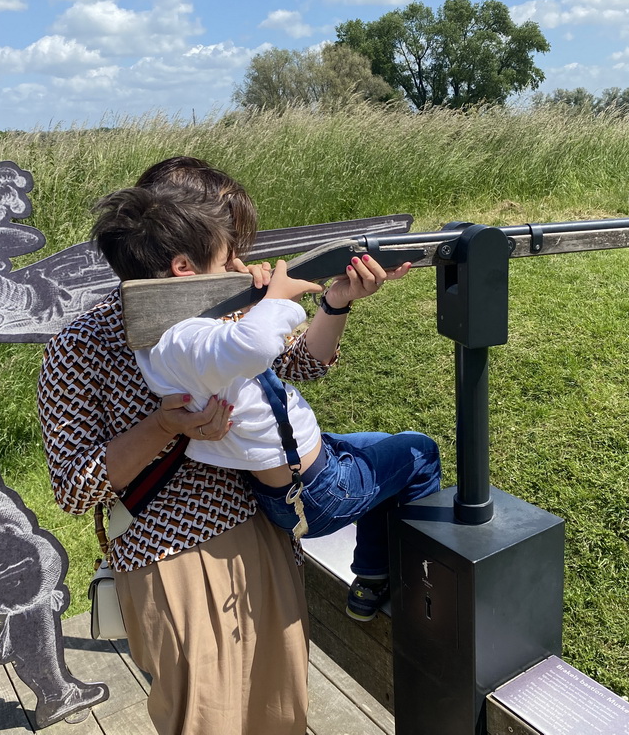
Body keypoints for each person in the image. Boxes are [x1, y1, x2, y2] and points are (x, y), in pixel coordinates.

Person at [37, 157, 414, 735]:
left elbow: (302, 363)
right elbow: (72, 486)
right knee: (203, 723)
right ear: (175, 248)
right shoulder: (80, 344)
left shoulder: (225, 302)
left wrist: (334, 304)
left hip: (263, 524)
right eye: (229, 246)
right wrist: (167, 428)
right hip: (170, 552)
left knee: (278, 713)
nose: (241, 262)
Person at [109, 184, 443, 621]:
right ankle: (422, 589)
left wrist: (333, 299)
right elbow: (254, 344)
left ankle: (371, 575)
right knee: (420, 452)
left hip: (294, 478)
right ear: (183, 267)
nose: (241, 266)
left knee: (382, 443)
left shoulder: (166, 337)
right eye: (227, 256)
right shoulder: (185, 338)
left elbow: (276, 355)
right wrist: (276, 300)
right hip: (317, 492)